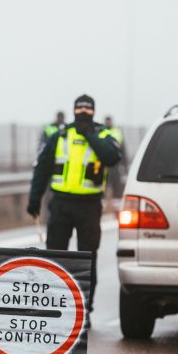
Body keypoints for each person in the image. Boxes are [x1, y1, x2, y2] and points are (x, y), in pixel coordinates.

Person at [27, 95, 122, 328]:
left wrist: (89, 134)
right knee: (56, 258)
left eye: (86, 110)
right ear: (73, 111)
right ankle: (55, 305)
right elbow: (42, 169)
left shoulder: (102, 135)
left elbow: (112, 158)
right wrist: (34, 198)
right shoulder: (60, 136)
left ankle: (83, 309)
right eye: (79, 109)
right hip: (60, 205)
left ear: (93, 112)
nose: (82, 113)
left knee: (86, 260)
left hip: (89, 206)